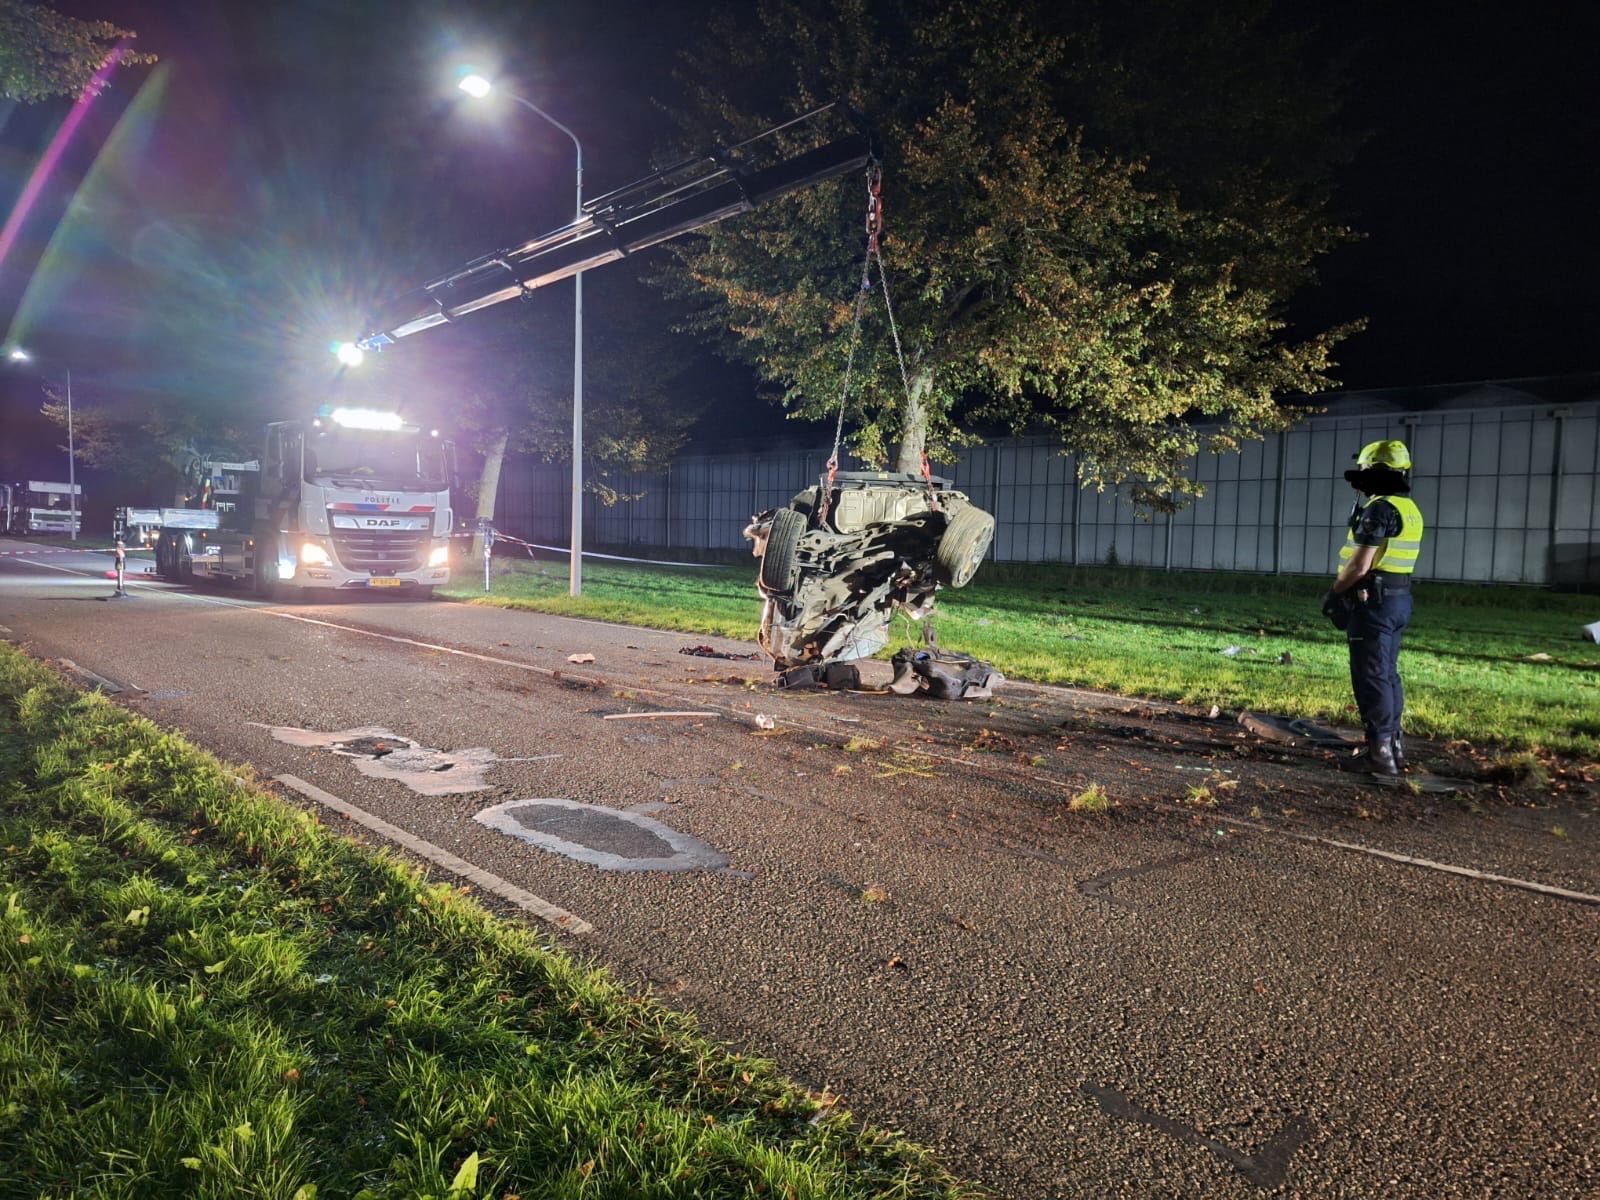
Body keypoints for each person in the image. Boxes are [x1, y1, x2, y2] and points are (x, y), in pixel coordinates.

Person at [1321, 439, 1424, 775]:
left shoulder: (1379, 510)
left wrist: (1336, 593)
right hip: (1399, 599)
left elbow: (1360, 565)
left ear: (1372, 471)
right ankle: (1393, 747)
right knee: (1388, 674)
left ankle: (1379, 757)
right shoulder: (1410, 509)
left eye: (1363, 470)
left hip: (1373, 603)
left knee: (1371, 678)